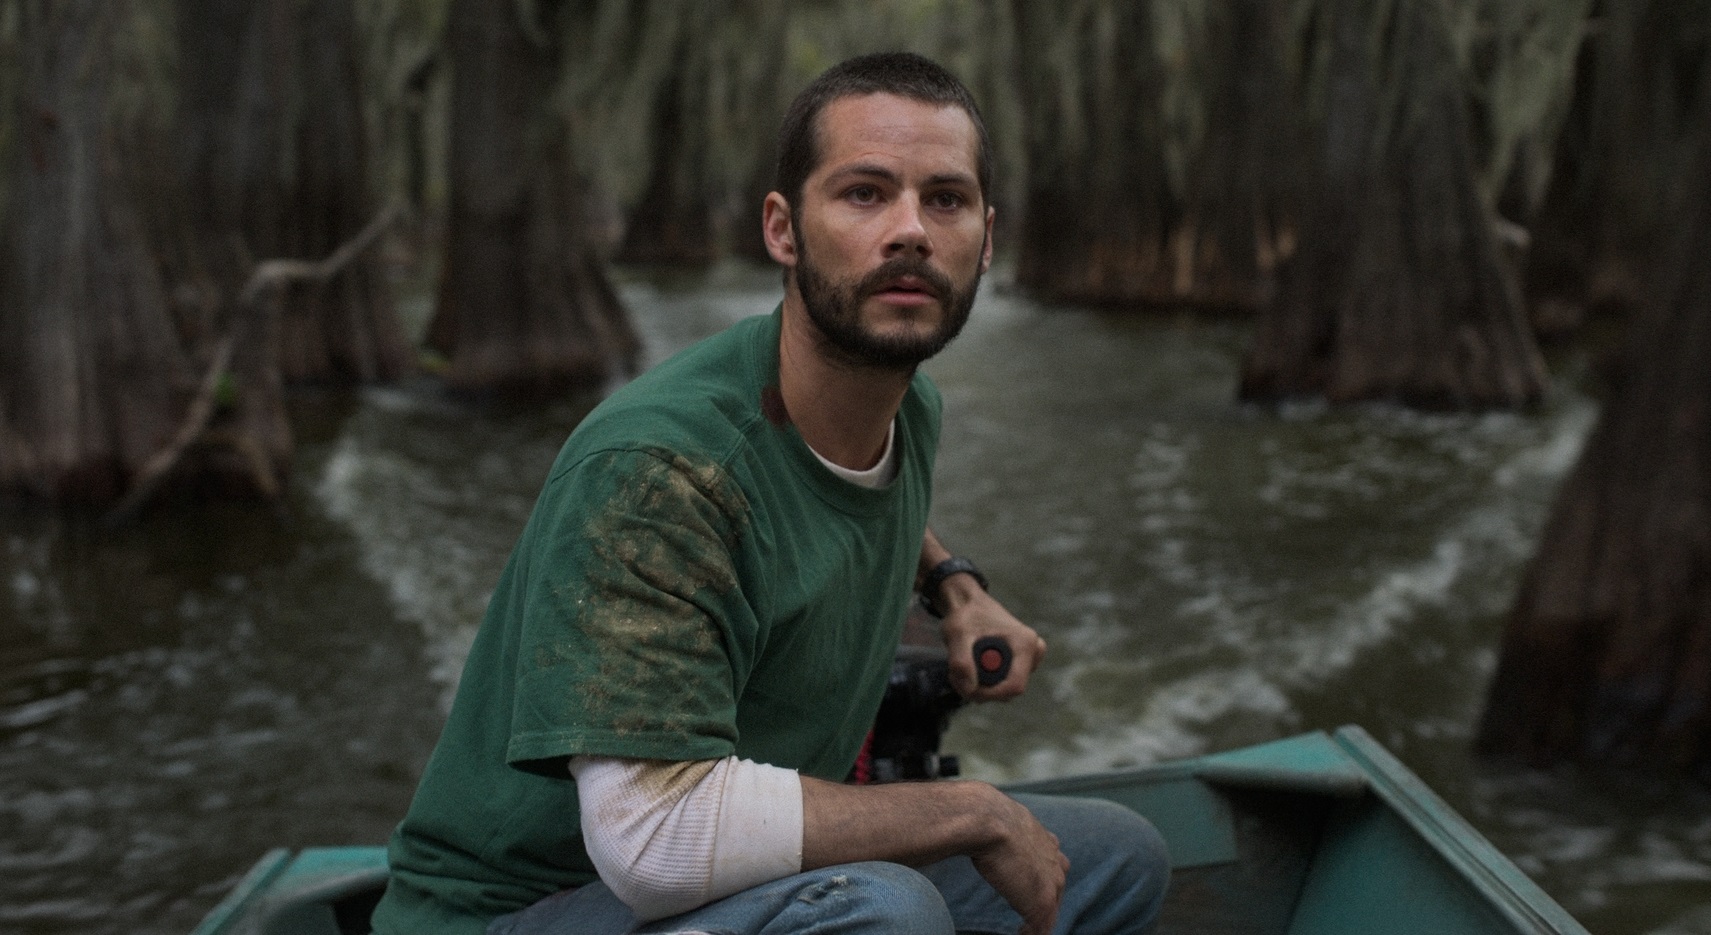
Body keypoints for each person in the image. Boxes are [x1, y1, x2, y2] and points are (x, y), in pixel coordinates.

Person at [370, 52, 1170, 935]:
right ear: (783, 230)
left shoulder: (906, 409)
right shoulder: (657, 472)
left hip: (715, 892)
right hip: (520, 911)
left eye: (943, 199)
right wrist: (970, 810)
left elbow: (842, 495)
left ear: (986, 237)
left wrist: (955, 586)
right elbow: (654, 841)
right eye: (864, 193)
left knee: (1116, 855)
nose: (909, 229)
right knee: (883, 911)